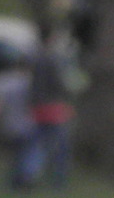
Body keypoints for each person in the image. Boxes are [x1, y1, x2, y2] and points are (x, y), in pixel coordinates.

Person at [0, 59, 40, 190]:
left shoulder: (2, 83)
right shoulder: (29, 83)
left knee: (15, 155)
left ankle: (16, 181)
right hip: (29, 124)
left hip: (9, 125)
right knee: (28, 153)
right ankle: (24, 179)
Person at [28, 39, 79, 189]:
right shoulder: (54, 61)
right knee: (61, 146)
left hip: (38, 107)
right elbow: (60, 85)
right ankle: (58, 180)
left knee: (37, 144)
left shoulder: (35, 60)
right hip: (54, 107)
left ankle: (28, 174)